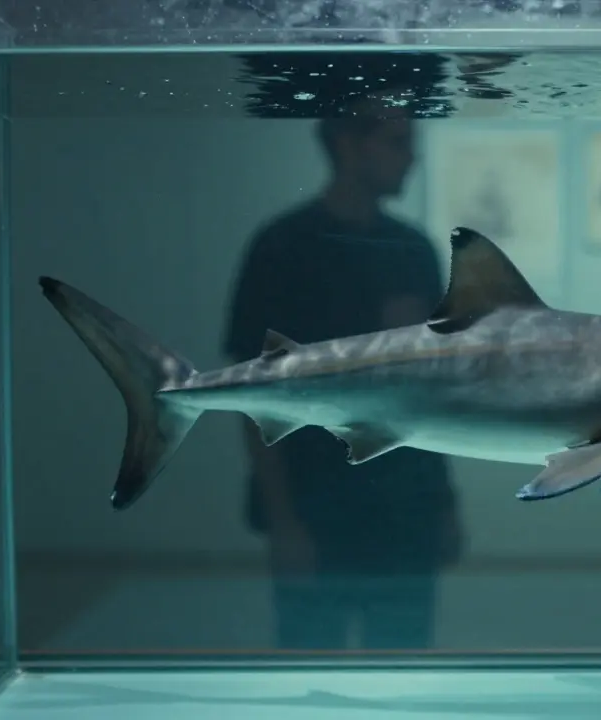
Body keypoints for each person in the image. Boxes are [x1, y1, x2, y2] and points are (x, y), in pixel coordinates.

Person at [223, 97, 462, 651]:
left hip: (405, 512)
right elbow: (254, 393)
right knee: (312, 685)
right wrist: (284, 522)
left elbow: (434, 392)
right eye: (398, 144)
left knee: (401, 684)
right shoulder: (281, 247)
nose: (412, 160)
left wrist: (443, 503)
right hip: (315, 506)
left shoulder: (414, 251)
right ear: (349, 145)